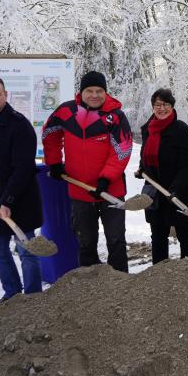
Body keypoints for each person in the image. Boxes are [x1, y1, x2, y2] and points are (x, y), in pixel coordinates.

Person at [42, 70, 132, 272]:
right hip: (80, 191)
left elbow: (122, 149)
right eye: (89, 90)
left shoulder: (115, 117)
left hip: (110, 191)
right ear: (81, 92)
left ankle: (121, 284)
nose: (94, 95)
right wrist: (54, 162)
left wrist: (106, 179)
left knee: (116, 240)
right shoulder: (66, 112)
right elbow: (50, 133)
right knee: (85, 240)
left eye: (99, 91)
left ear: (105, 92)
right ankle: (89, 287)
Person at [0, 75, 43, 307]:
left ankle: (32, 298)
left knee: (26, 250)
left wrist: (9, 201)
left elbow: (24, 168)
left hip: (20, 196)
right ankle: (13, 295)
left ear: (6, 95)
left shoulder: (19, 125)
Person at [135, 88, 188, 264]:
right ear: (152, 107)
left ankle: (187, 270)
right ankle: (160, 274)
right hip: (156, 192)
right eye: (157, 105)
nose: (161, 108)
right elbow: (146, 153)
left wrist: (176, 189)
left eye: (165, 104)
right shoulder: (148, 129)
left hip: (181, 192)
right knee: (158, 235)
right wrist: (142, 168)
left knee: (184, 234)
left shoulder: (182, 131)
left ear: (172, 106)